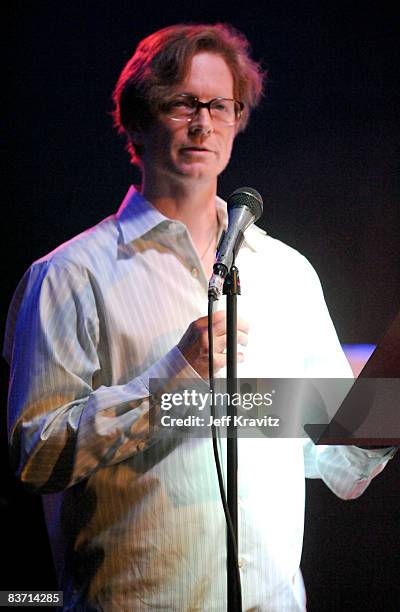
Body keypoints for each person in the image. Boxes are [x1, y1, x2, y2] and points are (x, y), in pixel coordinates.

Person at [4, 23, 396, 611]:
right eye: (181, 102)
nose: (203, 121)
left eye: (220, 105)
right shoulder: (69, 276)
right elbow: (36, 455)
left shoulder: (285, 272)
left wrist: (389, 407)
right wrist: (170, 381)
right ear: (137, 118)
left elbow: (333, 455)